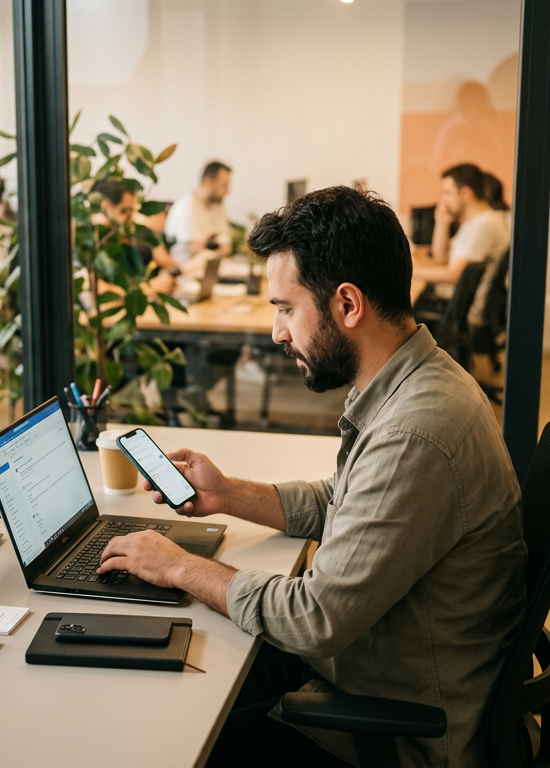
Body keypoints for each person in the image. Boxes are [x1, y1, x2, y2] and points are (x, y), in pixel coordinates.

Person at [95, 186, 524, 767]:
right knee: (193, 668)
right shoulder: (418, 381)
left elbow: (314, 619)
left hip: (402, 733)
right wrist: (227, 494)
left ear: (347, 304)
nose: (277, 332)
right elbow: (347, 501)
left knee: (171, 742)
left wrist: (178, 566)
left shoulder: (415, 431)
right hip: (371, 669)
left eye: (286, 308)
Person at [415, 163, 509, 287]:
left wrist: (409, 270)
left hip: (452, 297)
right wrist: (442, 224)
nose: (443, 200)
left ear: (465, 193)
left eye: (447, 193)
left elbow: (454, 275)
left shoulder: (484, 225)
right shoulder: (472, 223)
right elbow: (441, 260)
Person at [164, 161, 233, 264]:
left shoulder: (218, 207)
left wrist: (214, 247)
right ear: (208, 182)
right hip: (185, 268)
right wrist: (218, 248)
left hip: (211, 266)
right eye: (224, 185)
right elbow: (194, 249)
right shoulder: (187, 205)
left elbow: (227, 244)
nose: (228, 191)